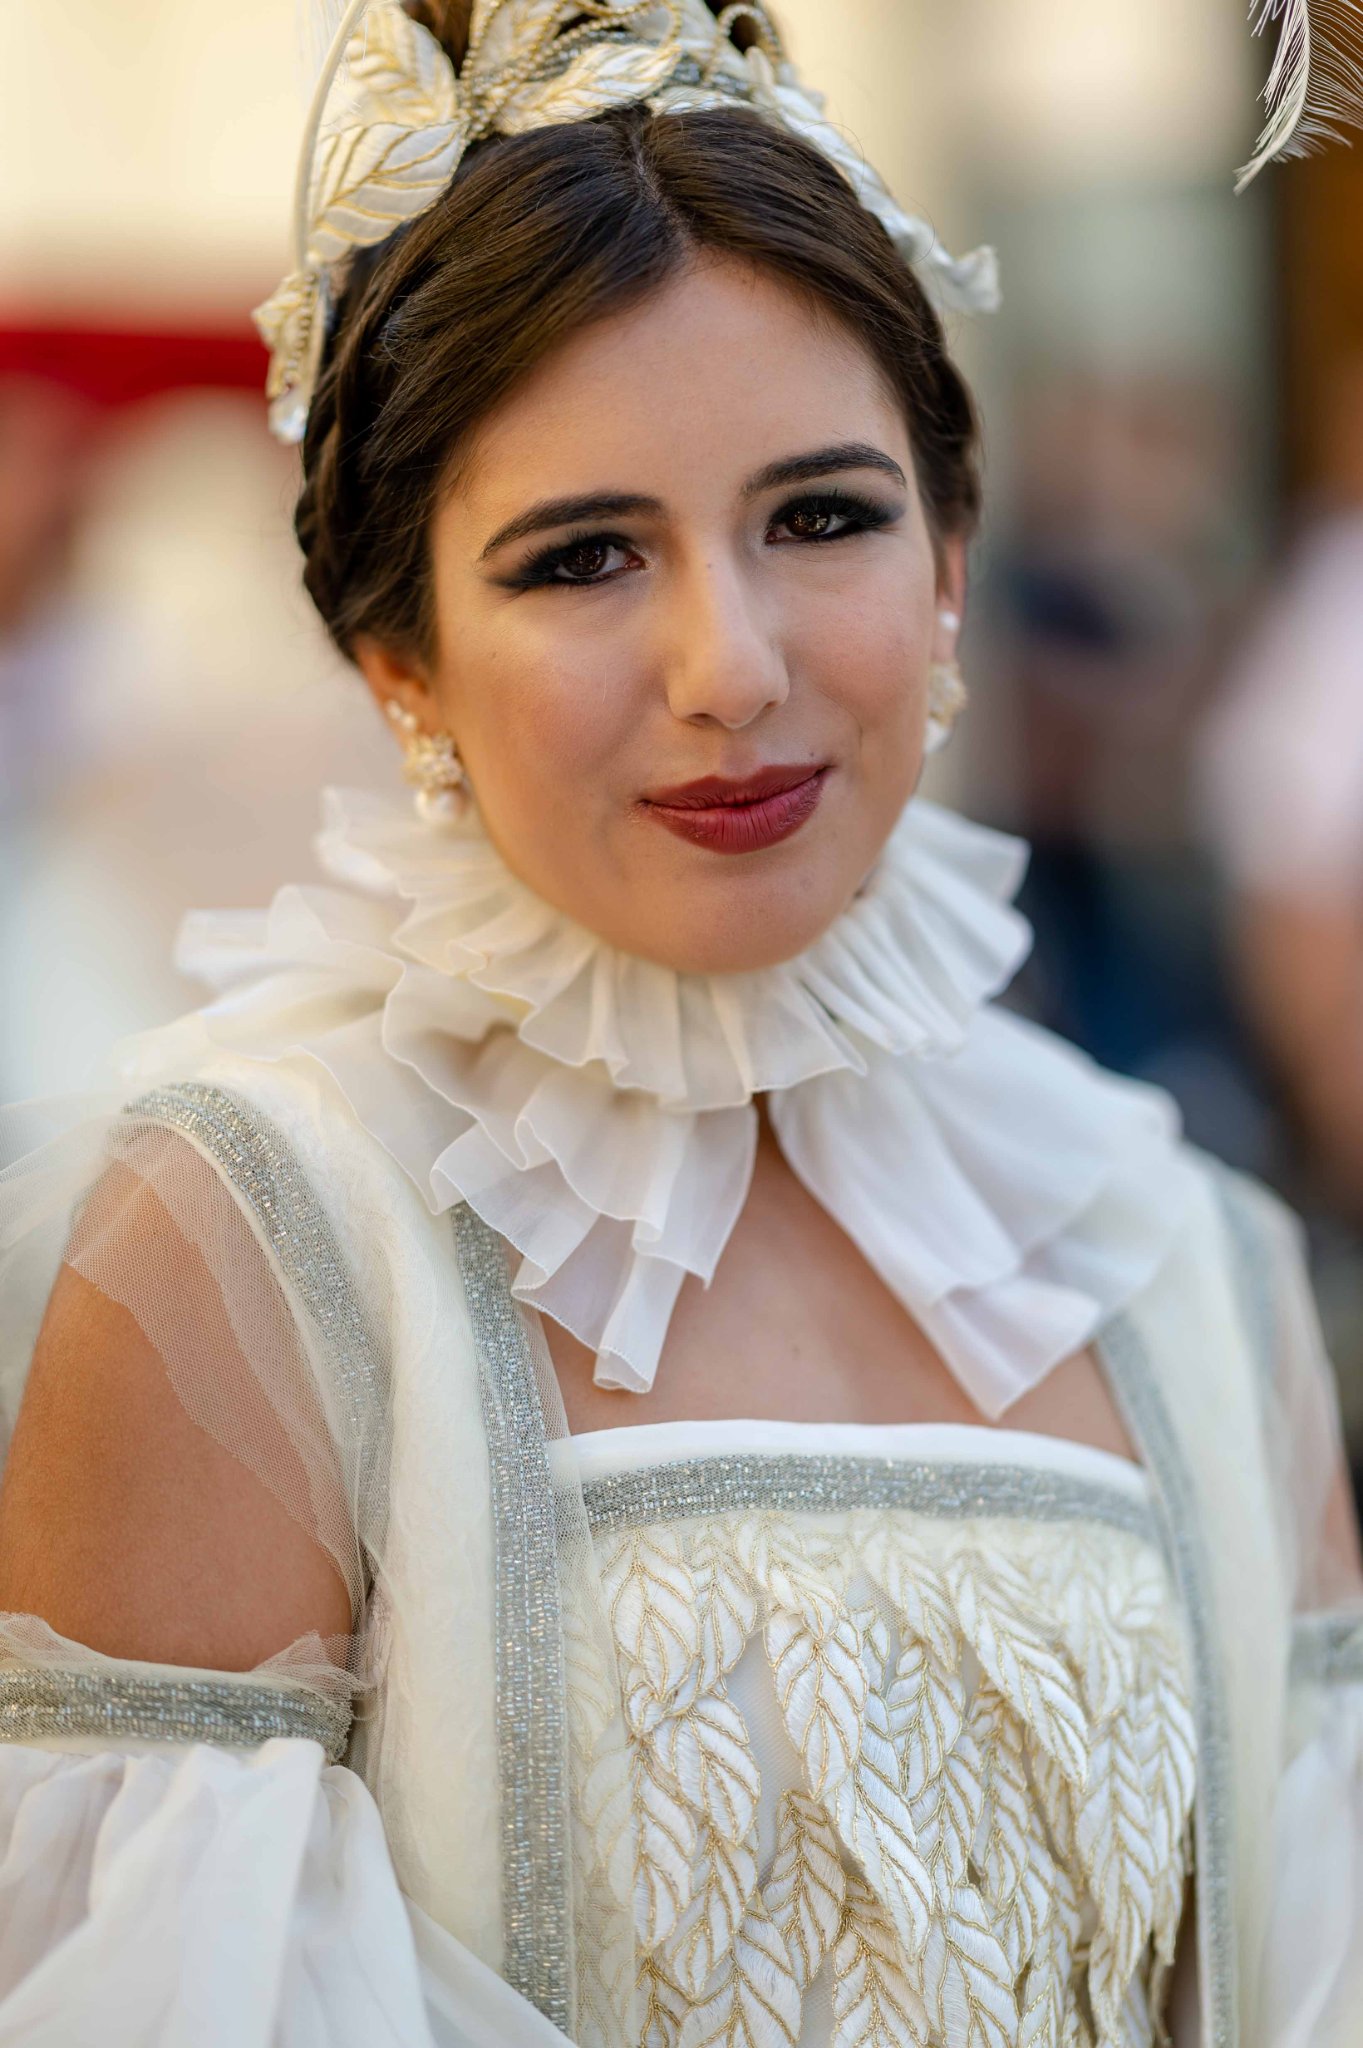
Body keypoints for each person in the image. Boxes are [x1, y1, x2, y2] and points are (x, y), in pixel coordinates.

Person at [0, 4, 1358, 2043]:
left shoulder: (1188, 1259)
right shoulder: (253, 1242)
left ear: (952, 558)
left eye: (822, 518)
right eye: (580, 558)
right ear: (397, 660)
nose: (729, 667)